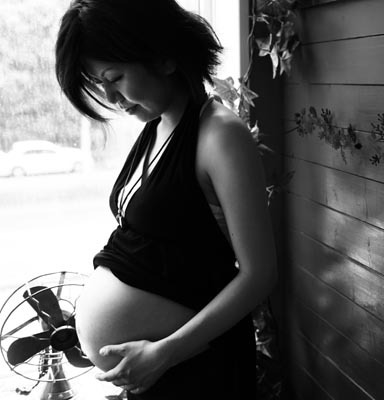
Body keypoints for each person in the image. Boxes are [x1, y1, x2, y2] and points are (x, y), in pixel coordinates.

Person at [54, 0, 278, 398]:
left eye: (115, 77)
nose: (110, 96)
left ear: (164, 57)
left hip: (198, 370)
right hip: (158, 373)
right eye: (99, 84)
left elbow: (259, 275)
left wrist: (164, 352)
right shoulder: (157, 127)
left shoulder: (220, 135)